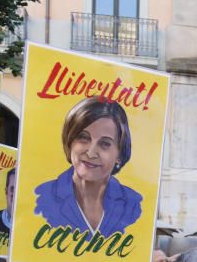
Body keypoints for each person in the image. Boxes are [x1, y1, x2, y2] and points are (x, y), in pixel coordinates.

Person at [34, 97, 143, 236]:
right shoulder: (41, 197)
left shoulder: (134, 205)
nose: (91, 153)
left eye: (105, 143)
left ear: (119, 155)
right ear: (70, 141)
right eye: (84, 138)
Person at [0, 168, 17, 236]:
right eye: (12, 189)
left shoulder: (30, 223)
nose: (16, 194)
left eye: (20, 189)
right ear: (6, 190)